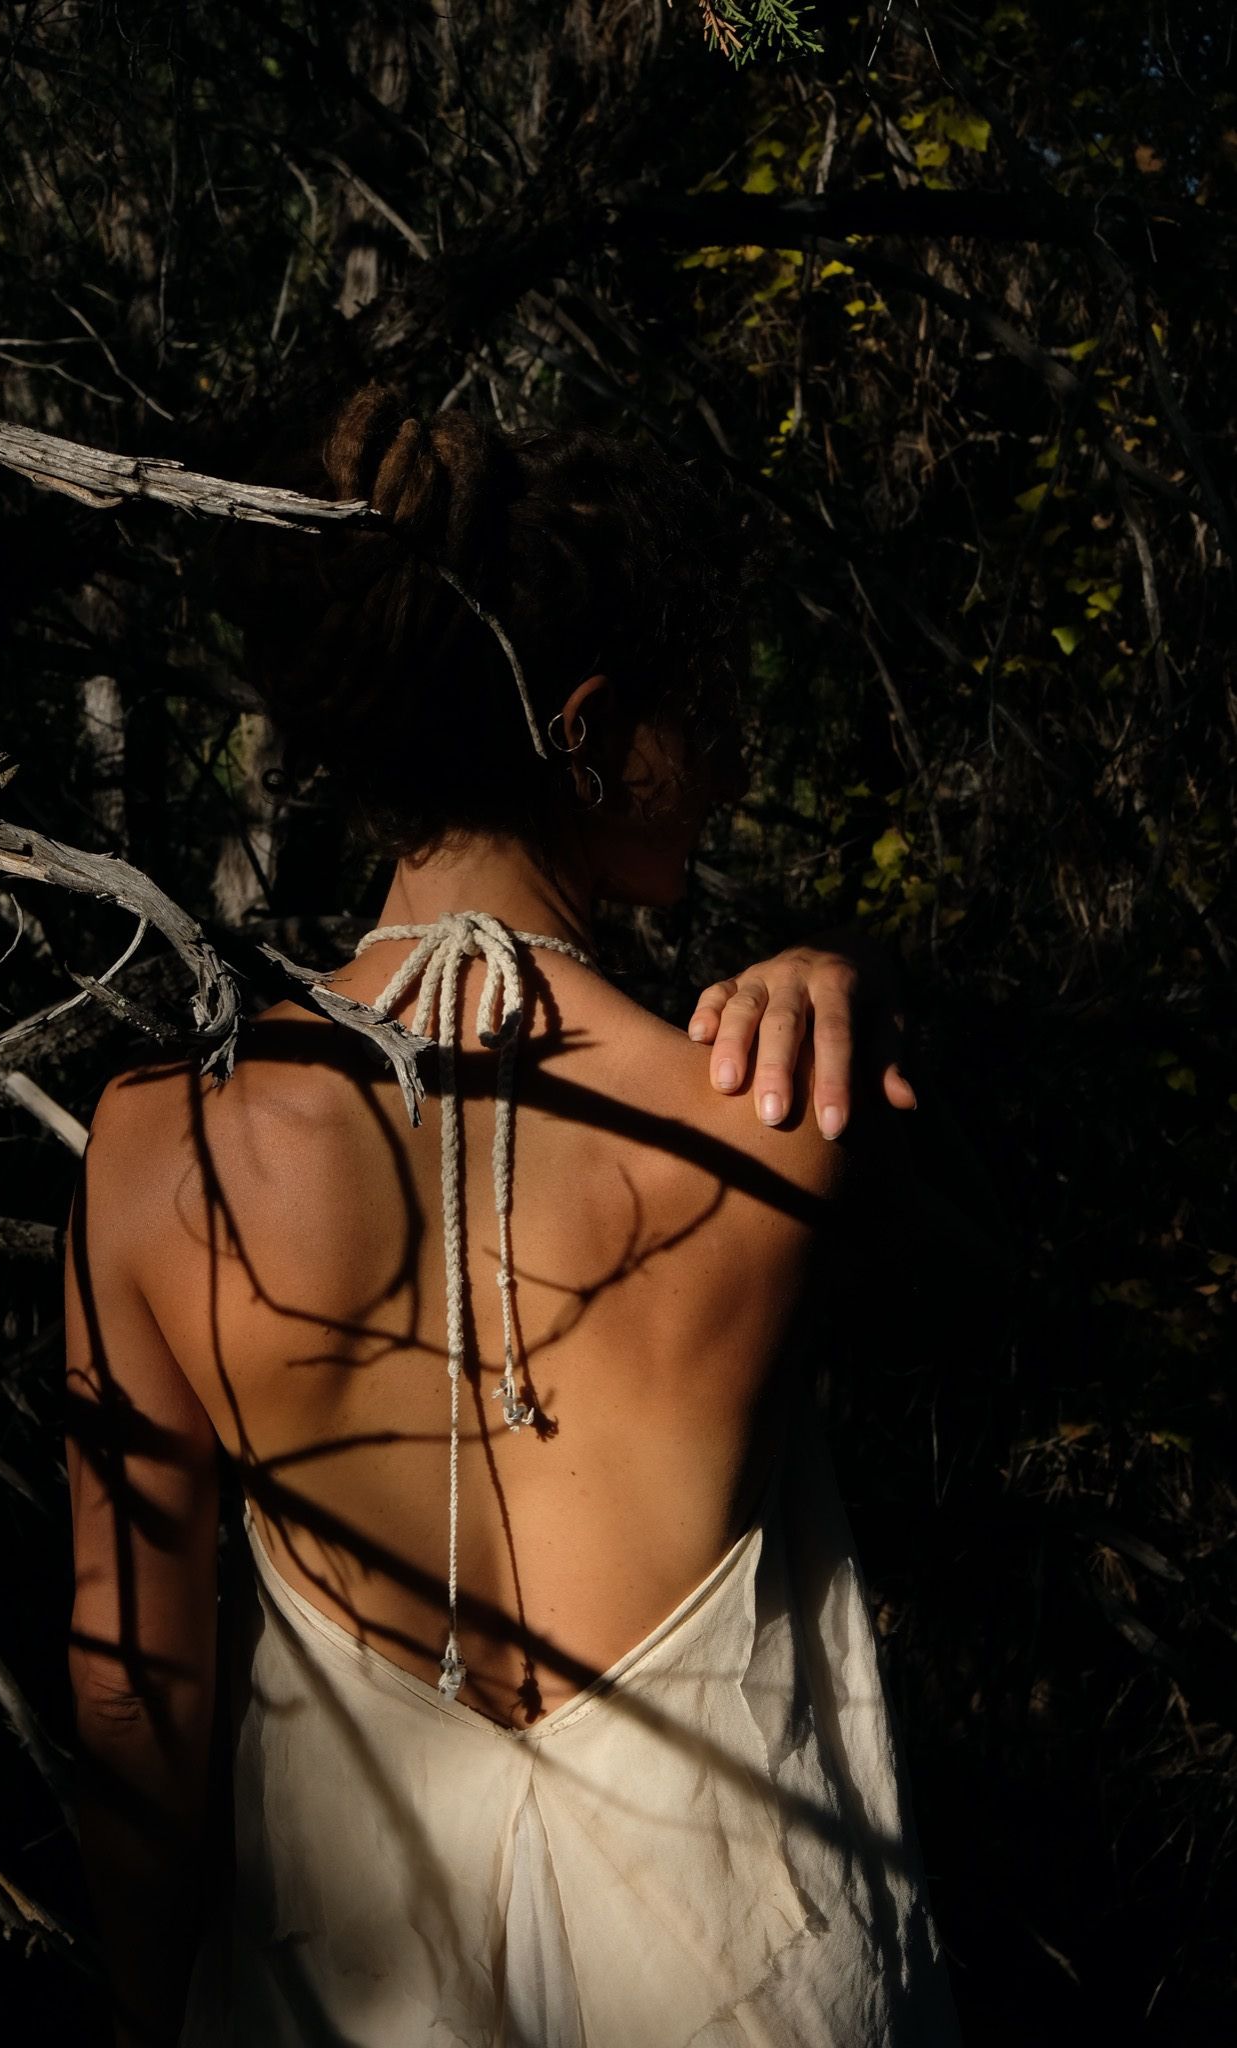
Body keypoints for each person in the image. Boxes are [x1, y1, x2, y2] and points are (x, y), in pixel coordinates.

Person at [63, 386, 958, 2047]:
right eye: (700, 710)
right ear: (592, 723)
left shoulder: (153, 1145)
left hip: (339, 1978)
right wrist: (867, 987)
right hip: (739, 1981)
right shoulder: (775, 1104)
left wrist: (147, 1998)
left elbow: (131, 1686)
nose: (731, 757)